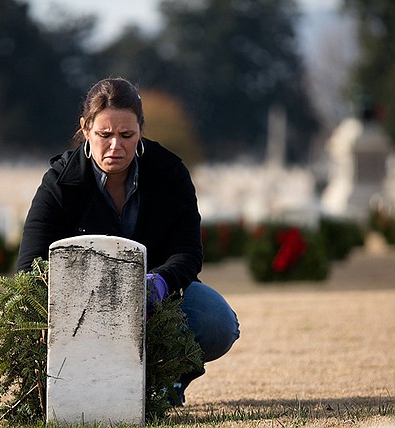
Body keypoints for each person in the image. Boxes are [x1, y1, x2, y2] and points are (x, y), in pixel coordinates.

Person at [16, 77, 239, 405]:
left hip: (159, 301)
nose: (115, 146)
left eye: (127, 135)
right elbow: (30, 265)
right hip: (81, 310)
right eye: (104, 135)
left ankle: (167, 379)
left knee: (217, 321)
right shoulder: (59, 184)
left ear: (141, 130)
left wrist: (159, 283)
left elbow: (188, 252)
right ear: (86, 128)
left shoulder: (170, 174)